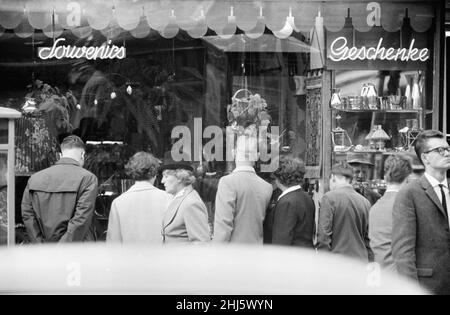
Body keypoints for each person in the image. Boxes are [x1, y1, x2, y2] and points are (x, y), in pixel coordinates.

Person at [392, 130, 450, 295]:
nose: (447, 153)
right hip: (428, 286)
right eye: (440, 150)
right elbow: (403, 253)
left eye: (447, 148)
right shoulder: (409, 194)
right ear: (425, 158)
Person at [21, 135, 98, 243]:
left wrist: (41, 247)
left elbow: (28, 216)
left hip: (44, 253)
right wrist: (60, 251)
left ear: (60, 155)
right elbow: (81, 220)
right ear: (82, 155)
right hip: (77, 253)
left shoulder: (34, 179)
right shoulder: (88, 178)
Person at [213, 134, 273, 244]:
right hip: (257, 254)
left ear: (233, 153)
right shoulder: (267, 187)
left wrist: (217, 255)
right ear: (257, 156)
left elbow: (223, 226)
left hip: (233, 256)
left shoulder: (227, 183)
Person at [106, 152, 172, 243]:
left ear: (131, 173)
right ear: (155, 173)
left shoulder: (118, 202)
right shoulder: (169, 199)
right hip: (161, 256)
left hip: (129, 256)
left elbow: (113, 243)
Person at [317, 162, 373, 262]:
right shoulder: (365, 202)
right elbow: (368, 239)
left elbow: (323, 237)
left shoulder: (329, 198)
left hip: (338, 264)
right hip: (360, 262)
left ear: (333, 177)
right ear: (351, 179)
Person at [369, 154, 412, 272]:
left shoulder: (374, 208)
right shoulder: (407, 206)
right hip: (401, 276)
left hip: (380, 276)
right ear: (408, 178)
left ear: (385, 177)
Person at [266, 156, 315, 248]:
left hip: (292, 258)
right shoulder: (307, 198)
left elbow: (281, 240)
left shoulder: (287, 202)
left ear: (278, 178)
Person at [161, 161, 211, 244]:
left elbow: (201, 244)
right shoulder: (178, 197)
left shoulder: (191, 203)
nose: (162, 181)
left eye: (166, 176)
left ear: (180, 177)